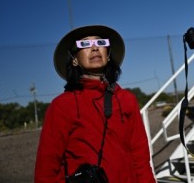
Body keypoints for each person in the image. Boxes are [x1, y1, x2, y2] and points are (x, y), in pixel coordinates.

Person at [34, 25, 156, 183]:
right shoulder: (61, 106)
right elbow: (46, 169)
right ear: (75, 59)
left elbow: (141, 160)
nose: (94, 48)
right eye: (84, 44)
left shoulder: (127, 100)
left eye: (100, 43)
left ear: (109, 54)